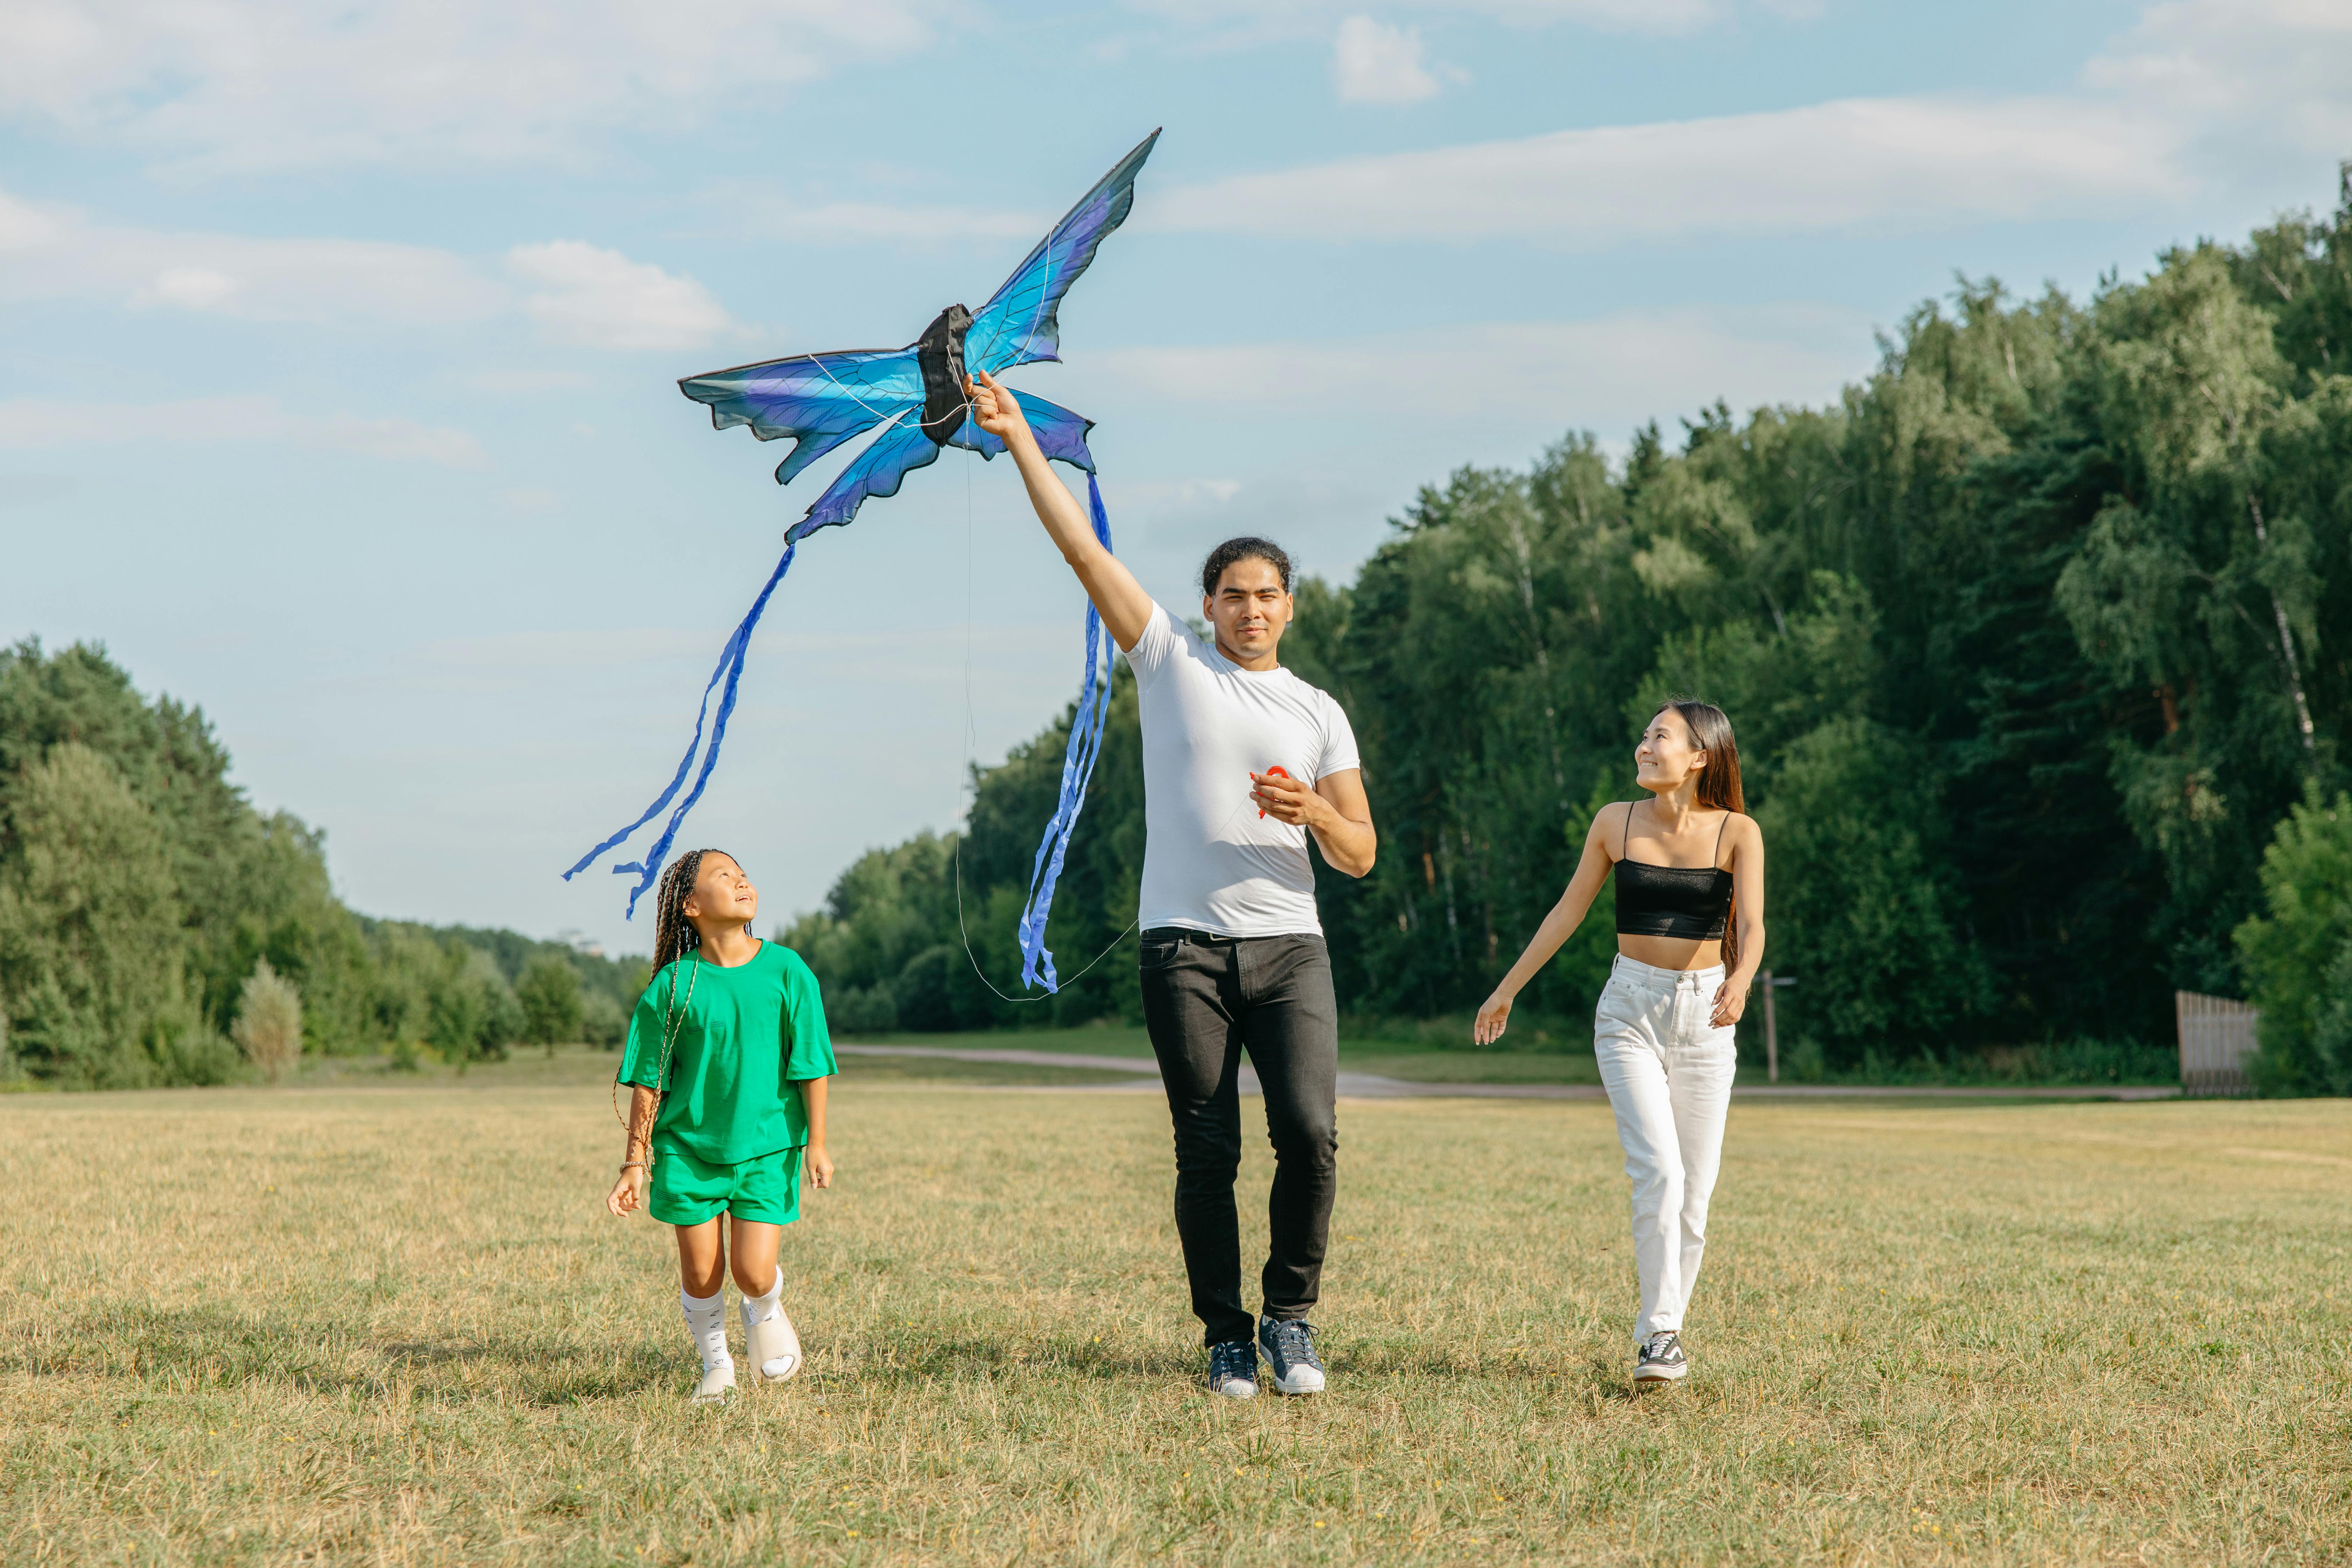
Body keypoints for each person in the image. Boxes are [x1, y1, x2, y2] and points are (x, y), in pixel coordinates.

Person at [968, 368, 1378, 1400]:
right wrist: (1021, 438)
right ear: (1208, 606)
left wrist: (1318, 814)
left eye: (1267, 594)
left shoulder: (1321, 712)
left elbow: (1363, 853)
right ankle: (1225, 1340)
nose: (1251, 608)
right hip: (1183, 948)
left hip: (1292, 948)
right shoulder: (1169, 662)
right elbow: (1082, 551)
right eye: (1233, 593)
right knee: (1207, 1153)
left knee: (1312, 1136)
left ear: (1290, 606)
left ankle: (1291, 1320)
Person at [1475, 701, 1764, 1387]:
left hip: (1707, 1019)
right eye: (1644, 734)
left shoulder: (1737, 832)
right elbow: (1567, 910)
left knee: (1696, 1191)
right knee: (1658, 1171)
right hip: (1628, 1013)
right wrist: (1507, 986)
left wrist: (1744, 979)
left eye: (1658, 736)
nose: (1643, 745)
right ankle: (1659, 1334)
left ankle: (1669, 1328)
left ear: (1700, 755)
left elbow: (1751, 925)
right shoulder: (1615, 822)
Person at [605, 848, 838, 1404]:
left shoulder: (788, 971)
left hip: (767, 1148)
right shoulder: (672, 986)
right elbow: (649, 1082)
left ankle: (766, 1310)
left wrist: (818, 1145)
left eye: (743, 874)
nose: (741, 882)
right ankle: (717, 1366)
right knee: (703, 1273)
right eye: (723, 876)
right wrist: (635, 1162)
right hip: (688, 1151)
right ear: (690, 905)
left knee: (756, 1274)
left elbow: (812, 1063)